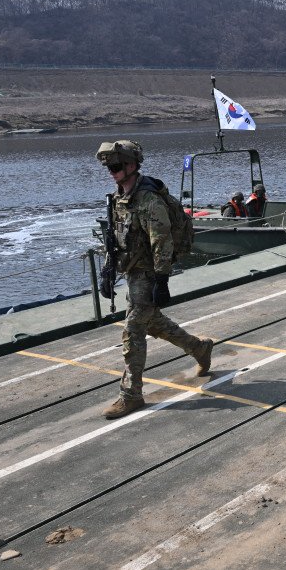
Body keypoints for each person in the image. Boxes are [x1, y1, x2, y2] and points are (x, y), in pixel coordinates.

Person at [95, 140, 215, 419]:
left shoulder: (149, 201)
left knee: (133, 330)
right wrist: (107, 270)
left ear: (132, 165)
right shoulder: (118, 198)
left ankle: (131, 395)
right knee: (154, 322)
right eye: (109, 167)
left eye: (115, 166)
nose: (111, 172)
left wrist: (162, 281)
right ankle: (200, 348)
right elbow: (113, 239)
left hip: (149, 274)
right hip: (132, 271)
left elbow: (161, 243)